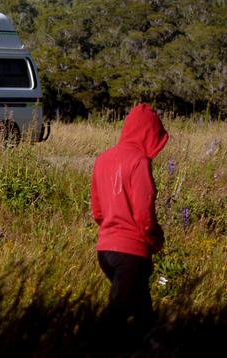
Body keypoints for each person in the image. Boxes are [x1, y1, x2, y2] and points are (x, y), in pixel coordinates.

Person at [90, 103, 168, 333]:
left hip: (104, 251)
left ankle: (151, 349)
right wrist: (156, 238)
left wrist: (112, 231)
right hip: (131, 254)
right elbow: (145, 216)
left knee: (144, 318)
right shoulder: (140, 162)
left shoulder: (102, 159)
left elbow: (98, 212)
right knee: (113, 320)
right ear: (148, 134)